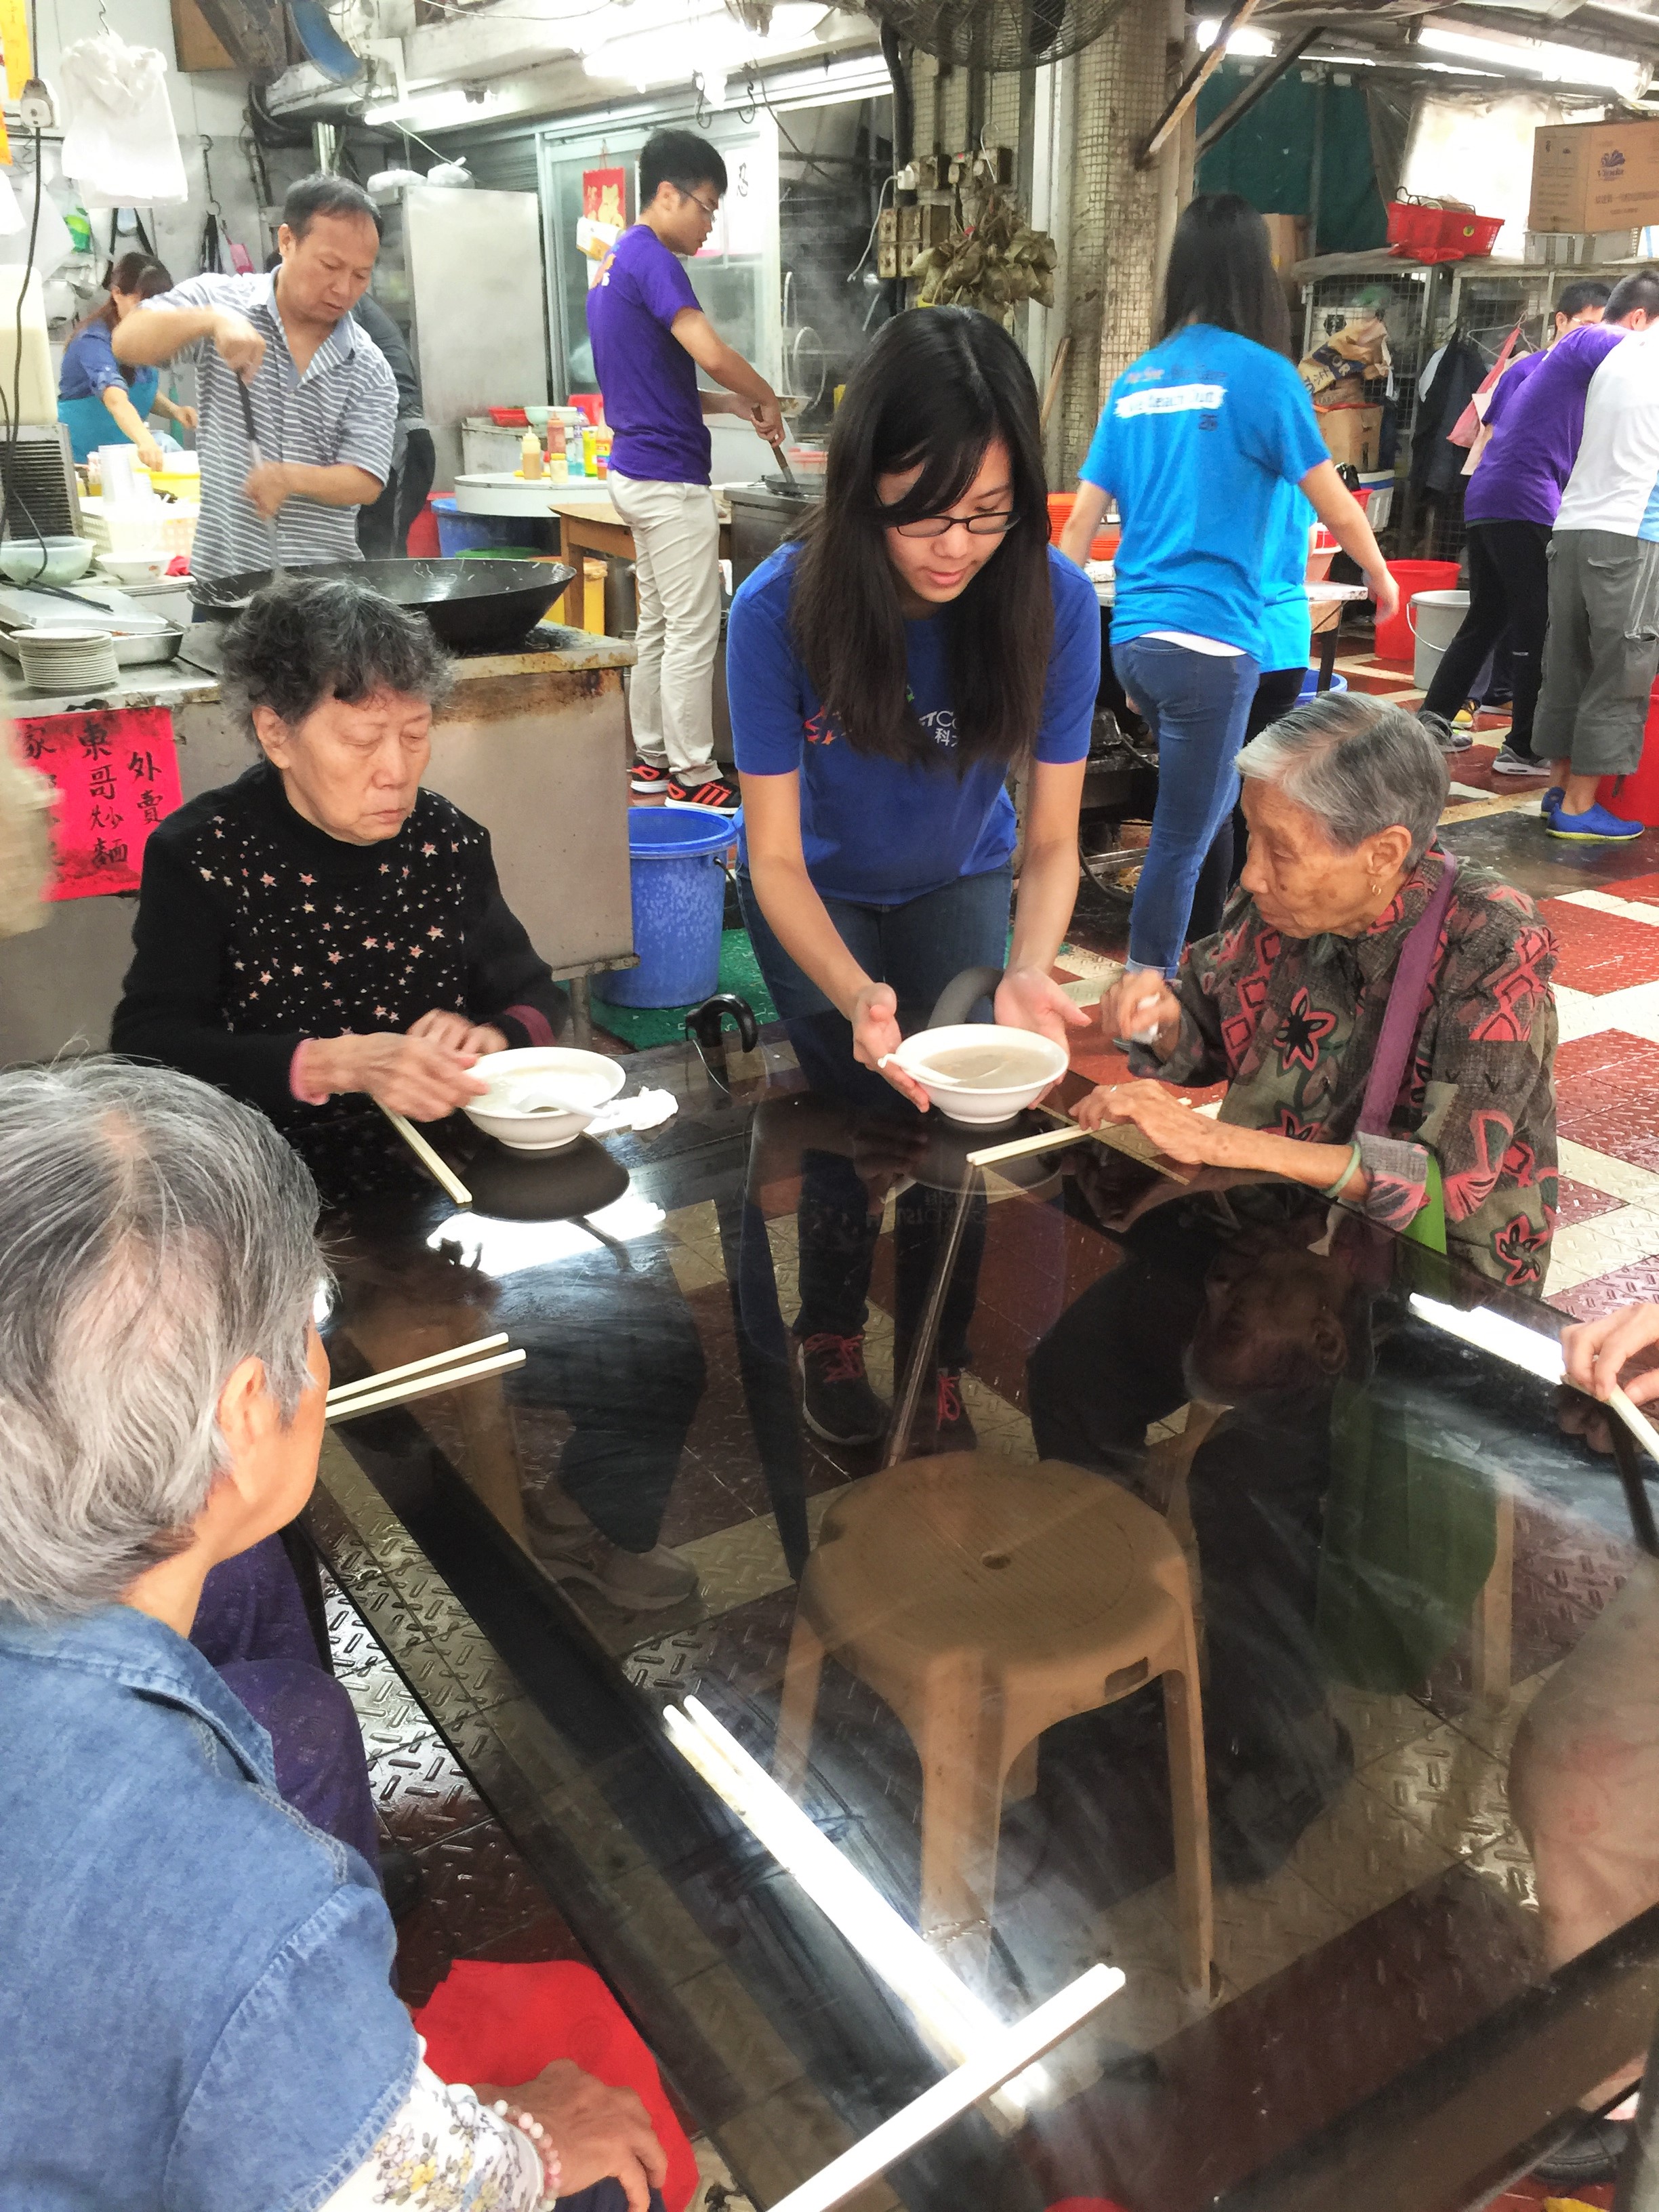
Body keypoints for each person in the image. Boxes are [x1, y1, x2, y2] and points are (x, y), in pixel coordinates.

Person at [0, 1057, 676, 2211]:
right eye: (304, 1325)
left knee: (251, 1576)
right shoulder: (243, 1904)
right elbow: (393, 2191)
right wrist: (533, 2145)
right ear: (243, 1410)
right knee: (609, 2176)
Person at [728, 306, 1098, 1439]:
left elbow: (1048, 839)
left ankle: (934, 1348)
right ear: (862, 485)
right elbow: (774, 854)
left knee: (955, 1123)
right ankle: (829, 1328)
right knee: (853, 1108)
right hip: (819, 892)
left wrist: (1029, 967)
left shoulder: (1052, 601)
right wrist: (852, 994)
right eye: (924, 512)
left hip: (957, 877)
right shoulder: (778, 612)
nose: (957, 545)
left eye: (988, 513)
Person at [111, 574, 569, 1204]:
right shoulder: (203, 855)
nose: (397, 772)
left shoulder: (444, 838)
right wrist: (334, 1064)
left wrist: (493, 1038)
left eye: (415, 735)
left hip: (433, 1175)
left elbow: (536, 996)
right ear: (277, 734)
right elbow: (147, 1051)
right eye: (360, 741)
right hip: (261, 1180)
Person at [1078, 691, 1558, 1289]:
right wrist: (1153, 1018)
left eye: (1280, 850)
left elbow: (1445, 1179)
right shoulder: (1273, 904)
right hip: (1275, 1229)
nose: (1252, 874)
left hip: (1429, 1275)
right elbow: (1208, 1030)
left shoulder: (1493, 940)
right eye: (1251, 836)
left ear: (1383, 853)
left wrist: (1221, 1140)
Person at [1059, 196, 1396, 1032]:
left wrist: (1062, 634)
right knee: (1187, 831)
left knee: (1204, 818)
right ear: (1256, 272)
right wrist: (1383, 582)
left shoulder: (1135, 381)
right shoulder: (1264, 376)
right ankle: (1149, 995)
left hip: (1132, 639)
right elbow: (1337, 504)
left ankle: (1204, 969)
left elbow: (1077, 531)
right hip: (1213, 644)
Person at [587, 129, 785, 813]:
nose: (709, 223)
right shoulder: (655, 261)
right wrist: (763, 395)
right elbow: (709, 348)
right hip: (668, 484)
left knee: (661, 628)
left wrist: (731, 404)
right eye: (706, 206)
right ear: (667, 194)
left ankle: (649, 764)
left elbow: (656, 385)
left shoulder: (615, 263)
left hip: (635, 473)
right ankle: (692, 772)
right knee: (694, 631)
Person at [112, 173, 396, 589]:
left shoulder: (367, 365)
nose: (343, 288)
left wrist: (288, 478)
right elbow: (127, 342)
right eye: (331, 266)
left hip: (324, 595)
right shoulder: (221, 300)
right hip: (224, 586)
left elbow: (365, 479)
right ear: (286, 241)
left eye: (361, 275)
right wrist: (211, 321)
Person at [1419, 273, 1654, 777]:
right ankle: (1522, 748)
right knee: (1539, 628)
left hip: (1489, 494)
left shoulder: (1538, 367)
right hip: (1526, 501)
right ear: (1637, 320)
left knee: (1487, 617)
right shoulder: (1596, 342)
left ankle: (1433, 718)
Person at [1530, 274, 1659, 841]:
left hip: (1574, 527)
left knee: (1569, 663)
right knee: (1621, 669)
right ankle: (1581, 808)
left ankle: (1558, 790)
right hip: (1630, 535)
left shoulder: (1619, 354)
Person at [56, 251, 197, 468]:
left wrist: (174, 411)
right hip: (84, 461)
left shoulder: (141, 337)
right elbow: (115, 399)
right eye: (142, 304)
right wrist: (146, 440)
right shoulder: (93, 340)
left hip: (124, 454)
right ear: (117, 294)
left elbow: (138, 387)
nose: (151, 314)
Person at [352, 289, 434, 560]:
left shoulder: (345, 305)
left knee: (384, 555)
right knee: (370, 548)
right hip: (384, 436)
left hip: (400, 437)